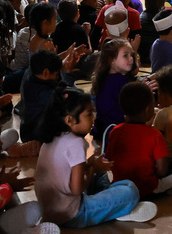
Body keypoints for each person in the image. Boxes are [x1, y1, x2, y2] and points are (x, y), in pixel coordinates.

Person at [34, 88, 155, 227]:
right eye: (89, 114)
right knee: (131, 189)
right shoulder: (76, 143)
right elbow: (76, 189)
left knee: (102, 177)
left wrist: (92, 166)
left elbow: (66, 173)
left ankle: (109, 205)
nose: (94, 118)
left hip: (50, 211)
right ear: (70, 120)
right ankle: (115, 210)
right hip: (73, 215)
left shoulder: (51, 138)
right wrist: (94, 167)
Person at [105, 81, 172, 198]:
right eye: (153, 104)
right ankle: (163, 193)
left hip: (121, 186)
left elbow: (110, 159)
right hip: (148, 189)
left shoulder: (115, 131)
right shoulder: (154, 135)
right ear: (147, 110)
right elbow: (162, 171)